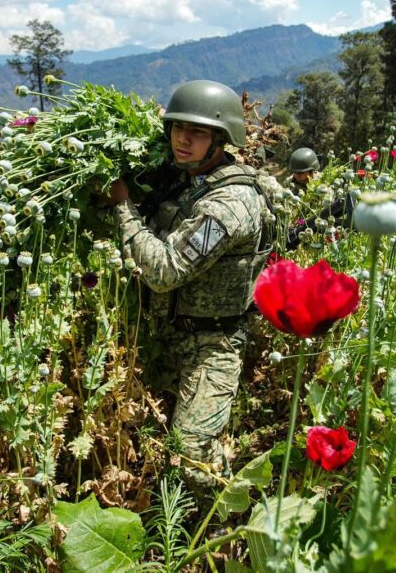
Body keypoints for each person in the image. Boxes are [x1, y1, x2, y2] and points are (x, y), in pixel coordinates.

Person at [102, 80, 272, 500]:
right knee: (152, 435)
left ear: (222, 139)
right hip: (169, 337)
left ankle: (225, 522)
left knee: (193, 448)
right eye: (177, 128)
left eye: (197, 132)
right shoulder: (186, 181)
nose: (182, 138)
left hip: (214, 345)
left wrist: (121, 207)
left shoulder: (229, 203)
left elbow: (164, 270)